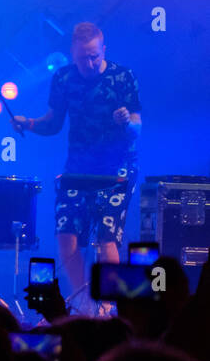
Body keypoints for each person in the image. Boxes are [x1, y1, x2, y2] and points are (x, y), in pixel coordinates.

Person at [13, 22, 141, 313]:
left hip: (117, 168)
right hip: (78, 168)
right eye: (84, 57)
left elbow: (138, 129)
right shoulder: (63, 78)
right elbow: (53, 123)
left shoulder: (123, 76)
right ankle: (83, 302)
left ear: (103, 49)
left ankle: (109, 306)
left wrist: (127, 122)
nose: (91, 63)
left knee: (107, 236)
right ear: (73, 53)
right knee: (65, 231)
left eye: (95, 56)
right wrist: (29, 124)